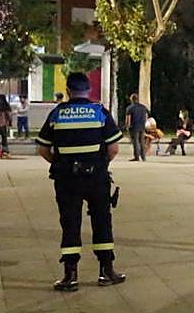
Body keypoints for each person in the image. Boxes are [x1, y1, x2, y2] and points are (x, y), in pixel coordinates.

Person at [35, 72, 126, 292]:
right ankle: (106, 271)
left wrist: (60, 163)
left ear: (68, 91)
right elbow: (113, 148)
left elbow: (43, 148)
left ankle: (70, 275)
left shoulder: (57, 114)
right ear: (88, 91)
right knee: (102, 221)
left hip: (67, 180)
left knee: (70, 223)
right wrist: (100, 164)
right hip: (96, 177)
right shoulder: (99, 112)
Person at [124, 93, 149, 162]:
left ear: (132, 99)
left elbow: (128, 119)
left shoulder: (129, 108)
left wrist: (127, 126)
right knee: (141, 142)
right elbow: (146, 116)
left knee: (135, 142)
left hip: (134, 127)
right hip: (142, 126)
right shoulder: (143, 107)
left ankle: (137, 157)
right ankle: (143, 157)